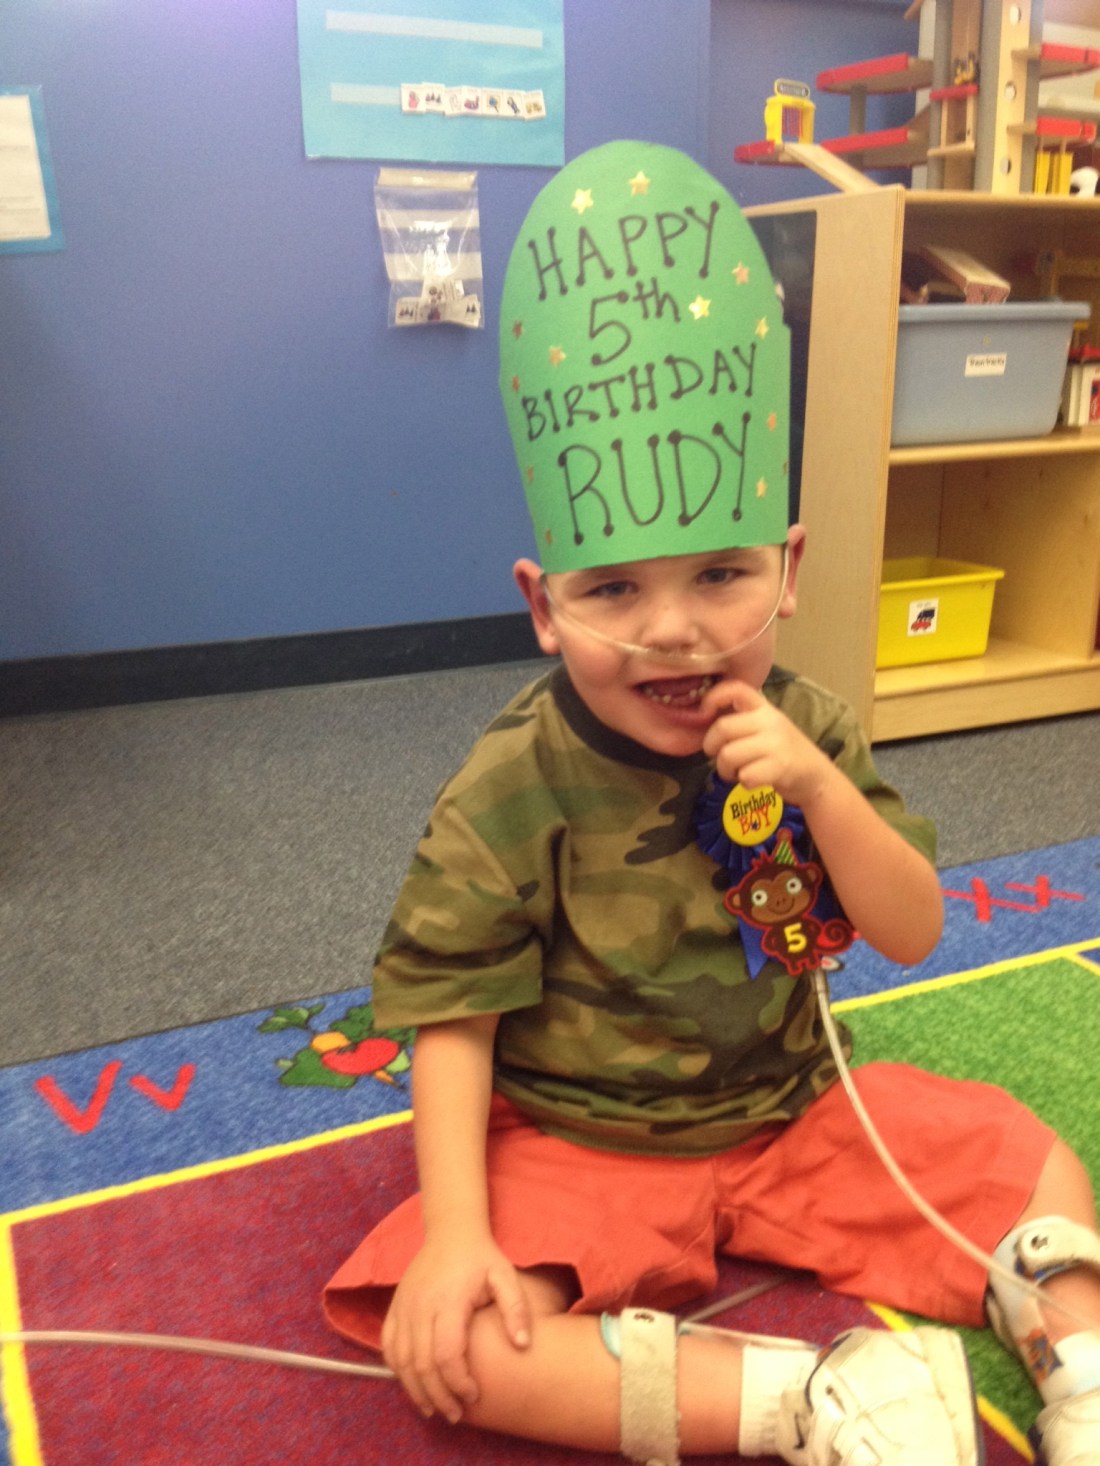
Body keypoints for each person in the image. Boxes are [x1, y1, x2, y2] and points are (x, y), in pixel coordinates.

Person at [325, 142, 1100, 1465]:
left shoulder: (815, 726)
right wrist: (461, 1228)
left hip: (798, 1111)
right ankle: (816, 1399)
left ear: (789, 569)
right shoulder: (510, 779)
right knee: (446, 1328)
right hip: (586, 1142)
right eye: (613, 591)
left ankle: (1081, 1367)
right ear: (541, 603)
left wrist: (816, 787)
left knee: (1031, 1167)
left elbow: (910, 926)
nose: (676, 633)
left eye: (721, 575)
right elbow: (450, 1013)